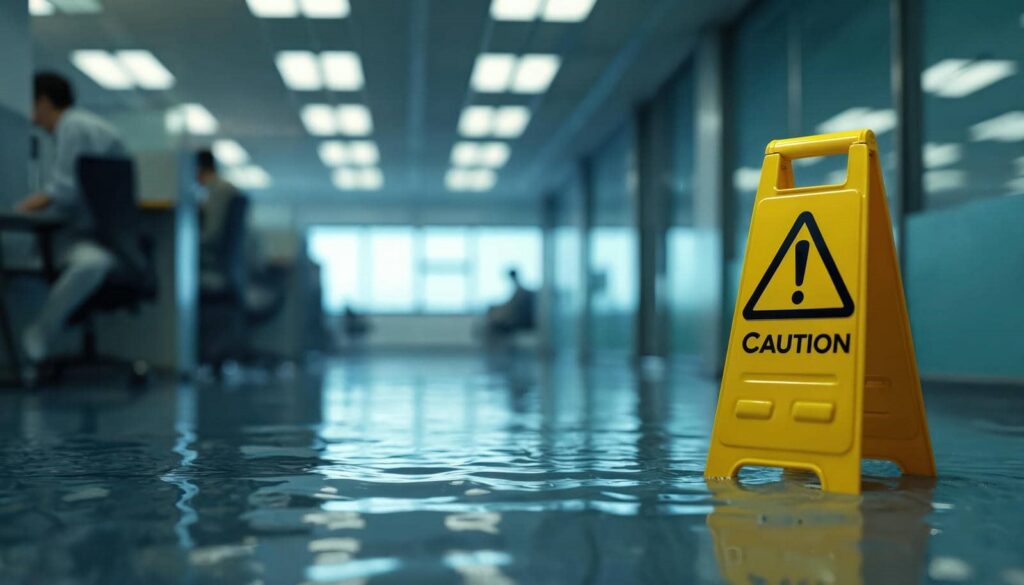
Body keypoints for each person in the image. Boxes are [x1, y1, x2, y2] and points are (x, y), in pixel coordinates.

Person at [17, 72, 126, 368]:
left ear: (43, 102)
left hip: (85, 236)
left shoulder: (73, 126)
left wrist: (20, 209)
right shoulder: (90, 128)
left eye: (32, 105)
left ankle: (40, 334)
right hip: (91, 234)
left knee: (91, 263)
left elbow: (63, 190)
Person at [195, 149, 241, 268]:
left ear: (199, 169)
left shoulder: (220, 191)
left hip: (215, 260)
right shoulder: (221, 189)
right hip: (226, 261)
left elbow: (211, 233)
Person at [485, 268, 537, 335]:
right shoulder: (519, 290)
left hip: (519, 320)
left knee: (493, 322)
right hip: (517, 318)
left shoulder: (520, 291)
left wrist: (498, 312)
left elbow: (512, 307)